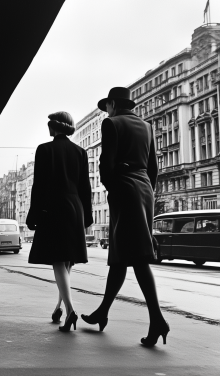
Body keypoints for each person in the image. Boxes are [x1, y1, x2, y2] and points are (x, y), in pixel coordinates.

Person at [81, 87, 169, 347]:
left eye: (106, 107)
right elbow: (153, 168)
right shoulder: (147, 126)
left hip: (124, 190)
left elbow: (106, 167)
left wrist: (115, 187)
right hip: (144, 190)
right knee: (119, 256)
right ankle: (102, 312)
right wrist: (145, 189)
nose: (105, 112)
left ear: (112, 104)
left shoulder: (111, 123)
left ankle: (158, 320)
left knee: (138, 257)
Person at [26, 111, 93, 332]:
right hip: (75, 209)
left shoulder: (44, 150)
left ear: (53, 128)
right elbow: (86, 188)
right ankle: (59, 308)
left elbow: (39, 186)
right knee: (67, 262)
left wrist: (33, 214)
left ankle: (71, 311)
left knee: (58, 260)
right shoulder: (81, 152)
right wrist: (88, 216)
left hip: (54, 208)